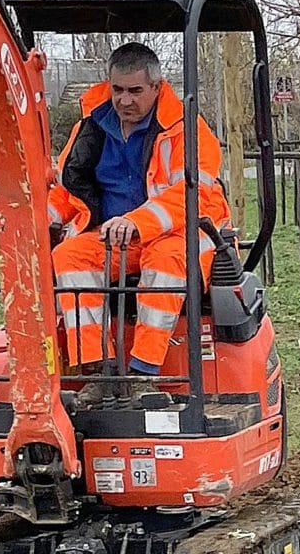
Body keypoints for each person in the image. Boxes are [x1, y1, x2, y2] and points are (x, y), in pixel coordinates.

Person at [48, 43, 230, 374]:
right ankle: (97, 368)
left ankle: (143, 371)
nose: (124, 100)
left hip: (181, 232)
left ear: (157, 87)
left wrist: (136, 222)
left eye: (135, 91)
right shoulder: (91, 128)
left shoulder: (186, 131)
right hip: (116, 238)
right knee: (69, 256)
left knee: (165, 261)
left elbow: (194, 195)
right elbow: (67, 189)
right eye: (118, 90)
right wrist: (37, 221)